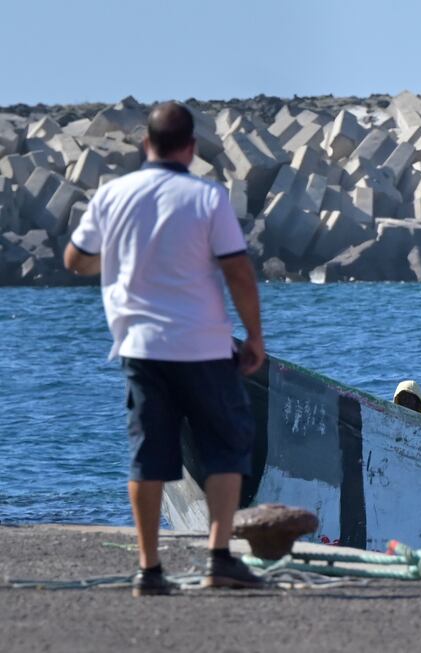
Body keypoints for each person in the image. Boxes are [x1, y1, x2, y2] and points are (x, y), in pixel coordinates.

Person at [63, 102, 265, 596]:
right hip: (204, 346)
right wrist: (255, 336)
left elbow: (75, 260)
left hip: (140, 346)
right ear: (191, 148)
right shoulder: (208, 197)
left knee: (148, 455)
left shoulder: (114, 194)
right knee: (225, 446)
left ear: (144, 144)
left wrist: (113, 261)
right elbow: (237, 271)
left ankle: (148, 569)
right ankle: (220, 558)